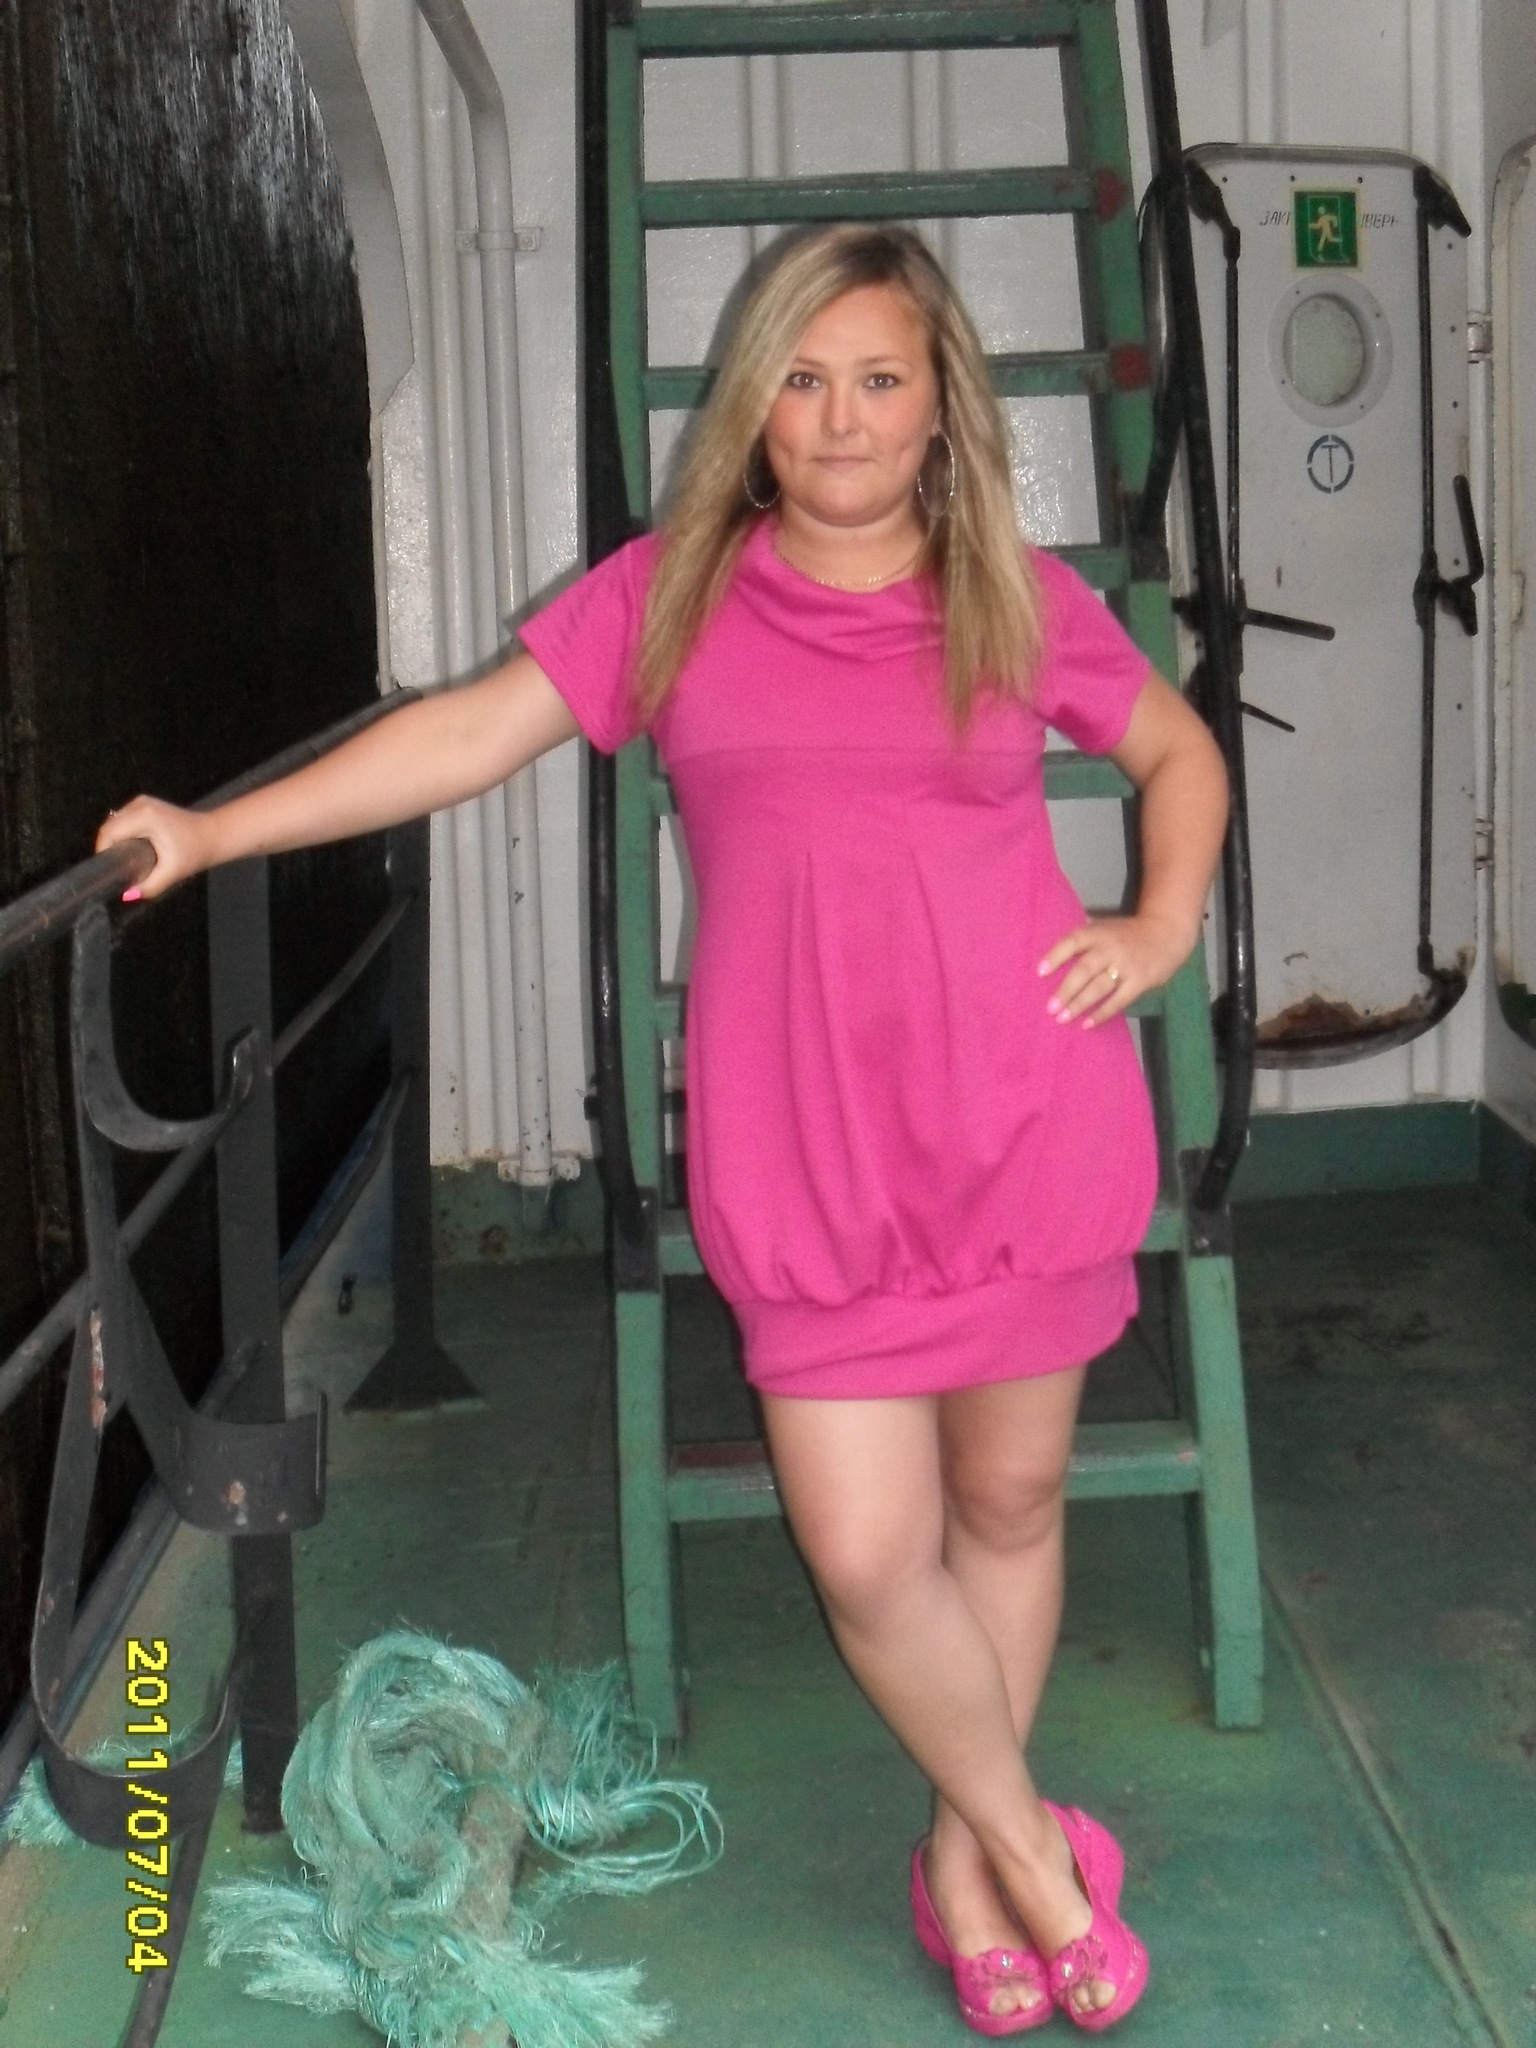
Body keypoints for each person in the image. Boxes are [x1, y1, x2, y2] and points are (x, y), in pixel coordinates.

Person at [98, 224, 1226, 2035]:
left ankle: (965, 1862)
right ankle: (1033, 1844)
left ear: (941, 405)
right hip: (813, 1154)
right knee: (866, 1553)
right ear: (752, 405)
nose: (841, 418)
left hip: (1024, 1121)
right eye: (803, 379)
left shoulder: (1008, 593)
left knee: (1010, 1505)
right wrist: (216, 834)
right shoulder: (674, 598)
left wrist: (1160, 926)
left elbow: (1182, 754)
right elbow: (462, 736)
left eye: (880, 379)